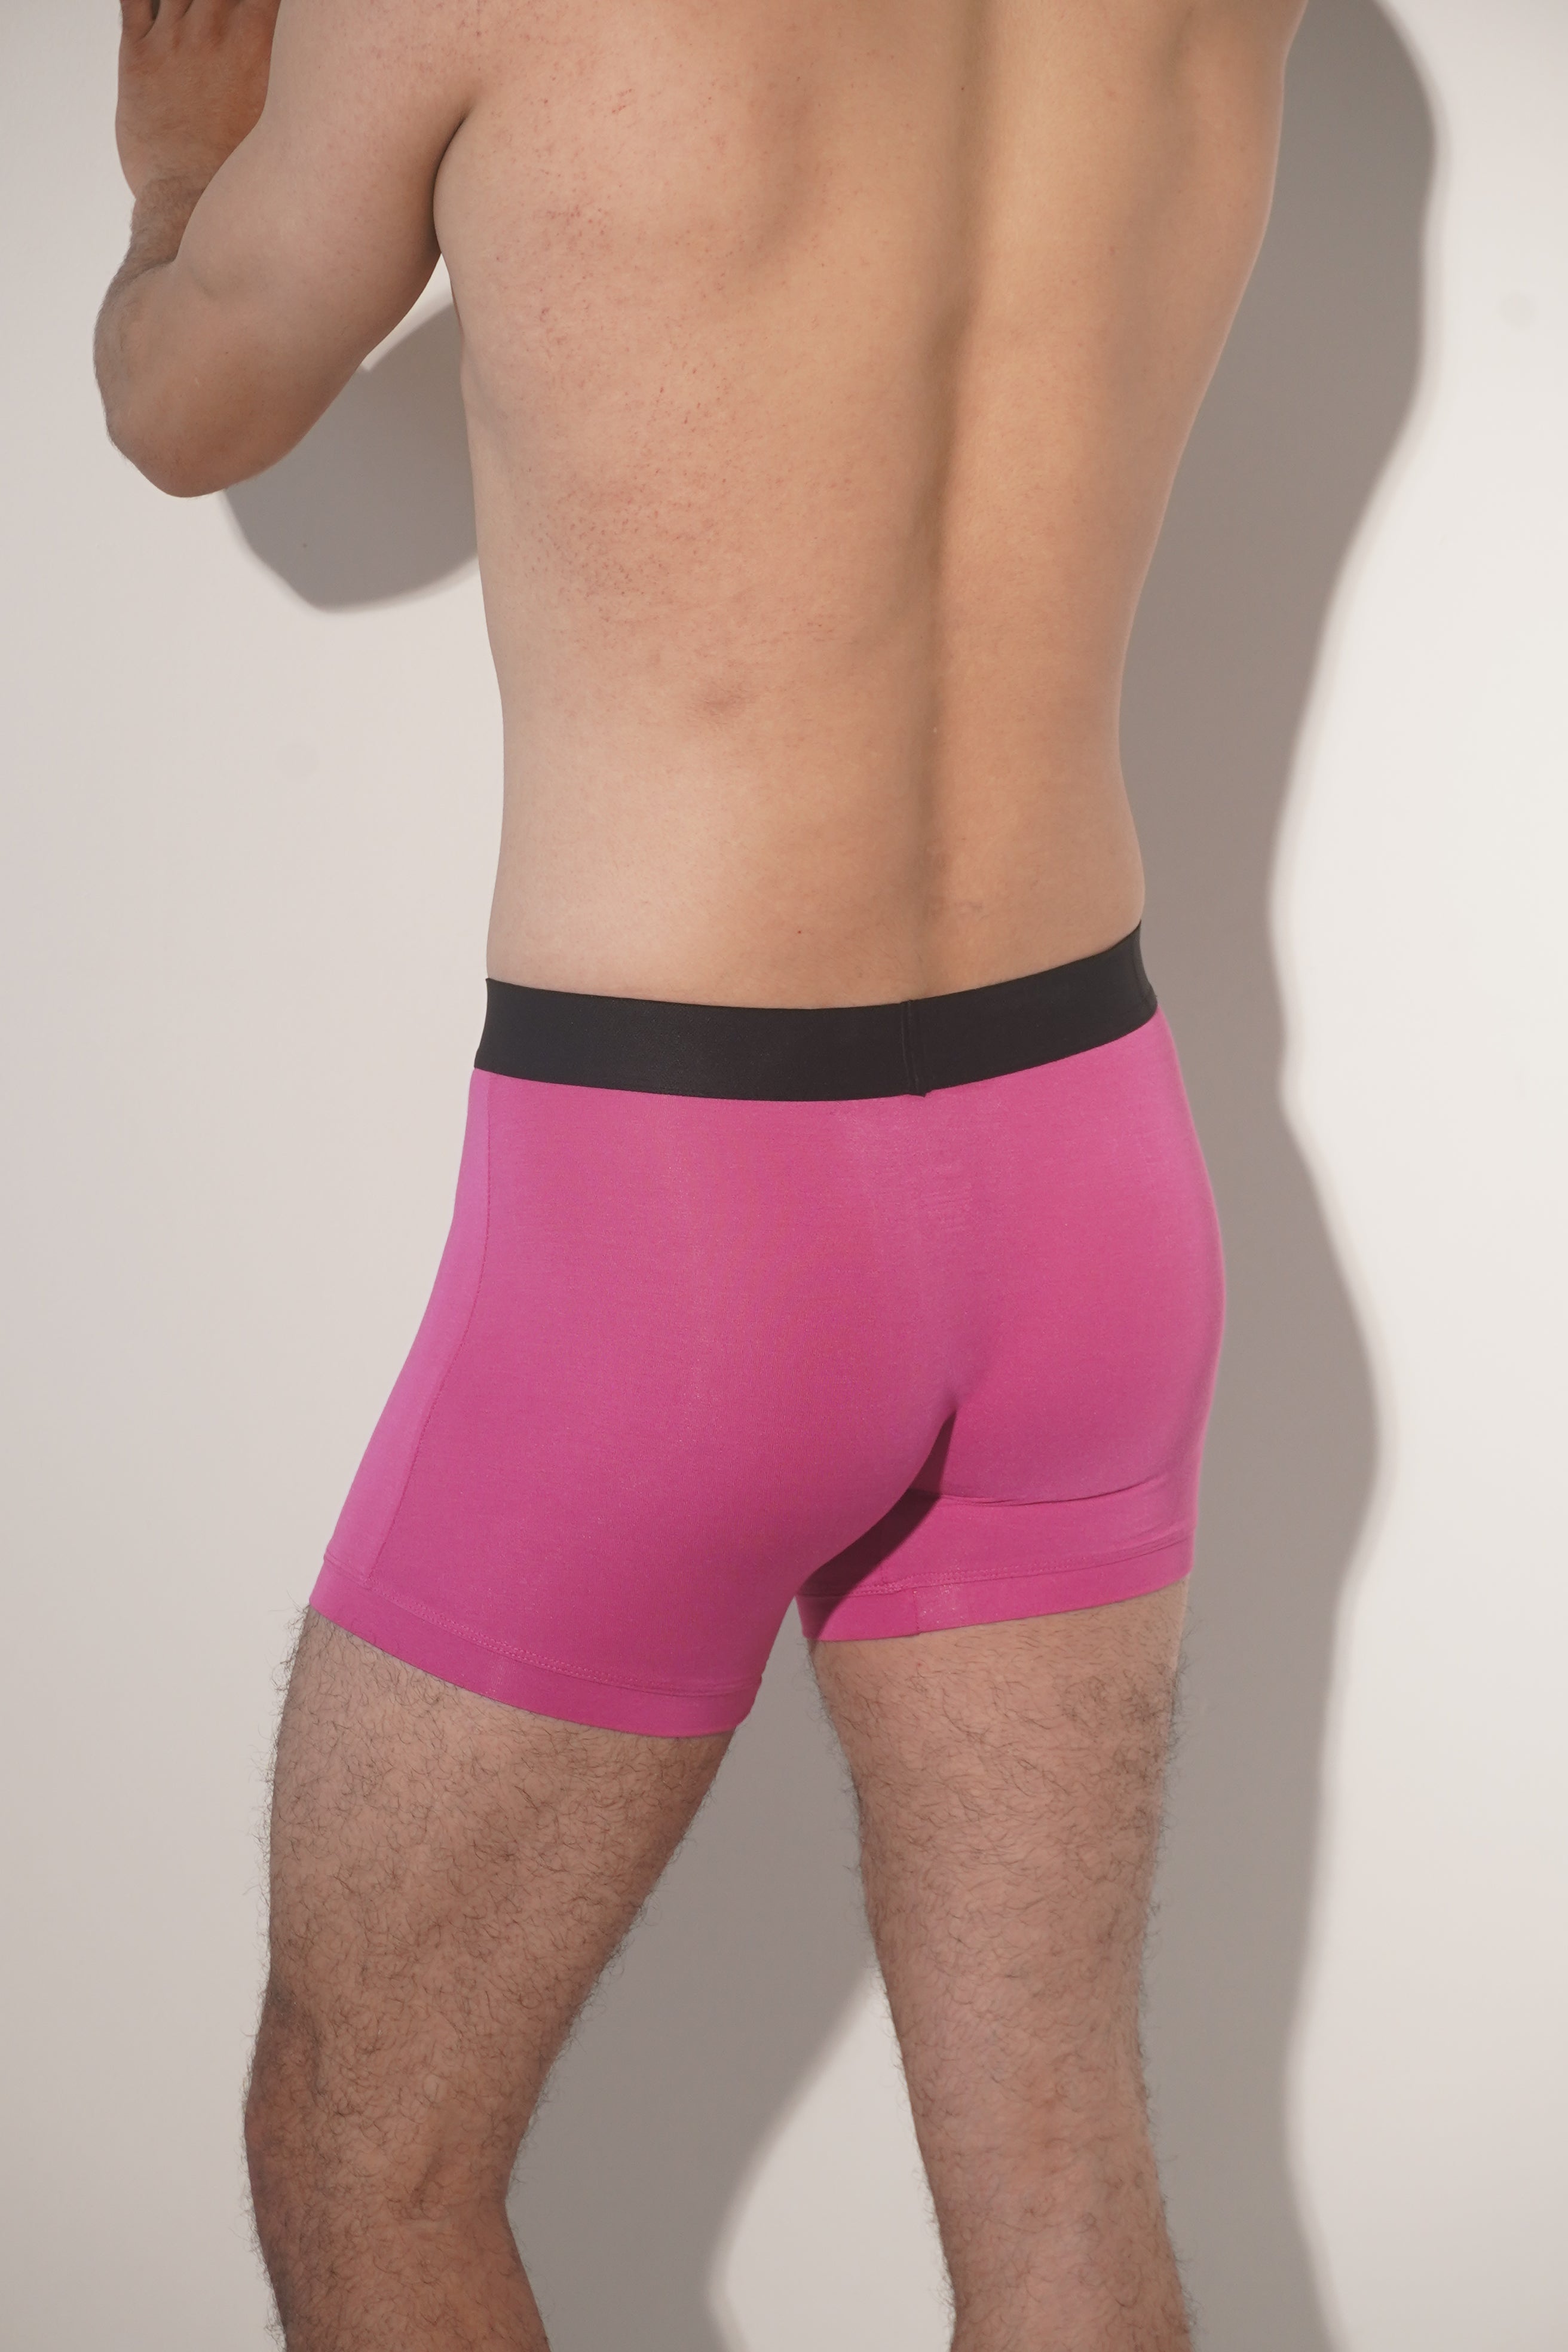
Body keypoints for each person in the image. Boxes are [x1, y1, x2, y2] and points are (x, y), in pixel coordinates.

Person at [96, 0, 1304, 2343]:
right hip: (1090, 1164)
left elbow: (189, 406)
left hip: (681, 1217)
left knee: (367, 2142)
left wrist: (172, 177)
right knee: (1056, 2164)